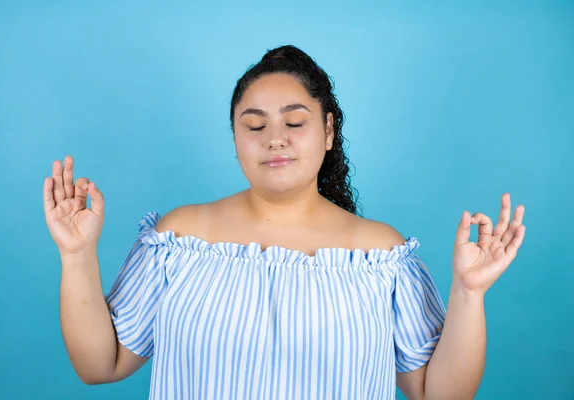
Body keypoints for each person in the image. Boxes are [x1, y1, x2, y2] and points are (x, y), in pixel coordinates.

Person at [43, 45, 526, 400]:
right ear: (235, 139)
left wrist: (469, 293)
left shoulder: (379, 254)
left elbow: (438, 393)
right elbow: (99, 365)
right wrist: (77, 254)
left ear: (329, 130)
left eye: (294, 122)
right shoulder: (180, 238)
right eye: (254, 126)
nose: (275, 138)